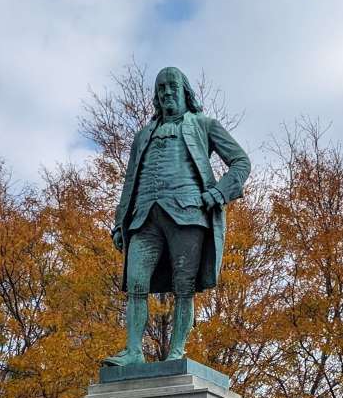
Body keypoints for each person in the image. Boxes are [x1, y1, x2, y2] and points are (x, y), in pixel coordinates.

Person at [104, 65, 251, 366]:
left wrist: (219, 193)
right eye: (161, 88)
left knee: (184, 287)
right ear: (156, 97)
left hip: (188, 215)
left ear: (185, 92)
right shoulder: (144, 135)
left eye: (172, 86)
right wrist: (120, 223)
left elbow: (240, 162)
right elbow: (130, 180)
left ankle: (177, 352)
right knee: (135, 284)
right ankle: (133, 351)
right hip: (143, 217)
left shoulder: (204, 124)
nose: (167, 92)